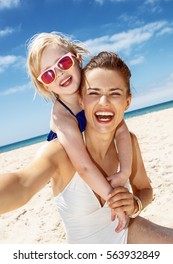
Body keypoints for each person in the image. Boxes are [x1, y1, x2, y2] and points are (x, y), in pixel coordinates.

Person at [0, 51, 173, 244]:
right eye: (94, 93)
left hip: (128, 232)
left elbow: (145, 189)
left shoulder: (128, 142)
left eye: (114, 93)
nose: (104, 102)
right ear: (81, 99)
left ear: (127, 102)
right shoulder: (60, 151)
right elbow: (23, 184)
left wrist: (135, 204)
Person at [27, 32, 133, 232]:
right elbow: (83, 166)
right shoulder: (62, 116)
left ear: (78, 58)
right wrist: (114, 201)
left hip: (96, 165)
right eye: (49, 74)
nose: (59, 73)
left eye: (64, 63)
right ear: (44, 84)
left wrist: (125, 171)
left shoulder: (94, 90)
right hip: (74, 179)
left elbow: (121, 129)